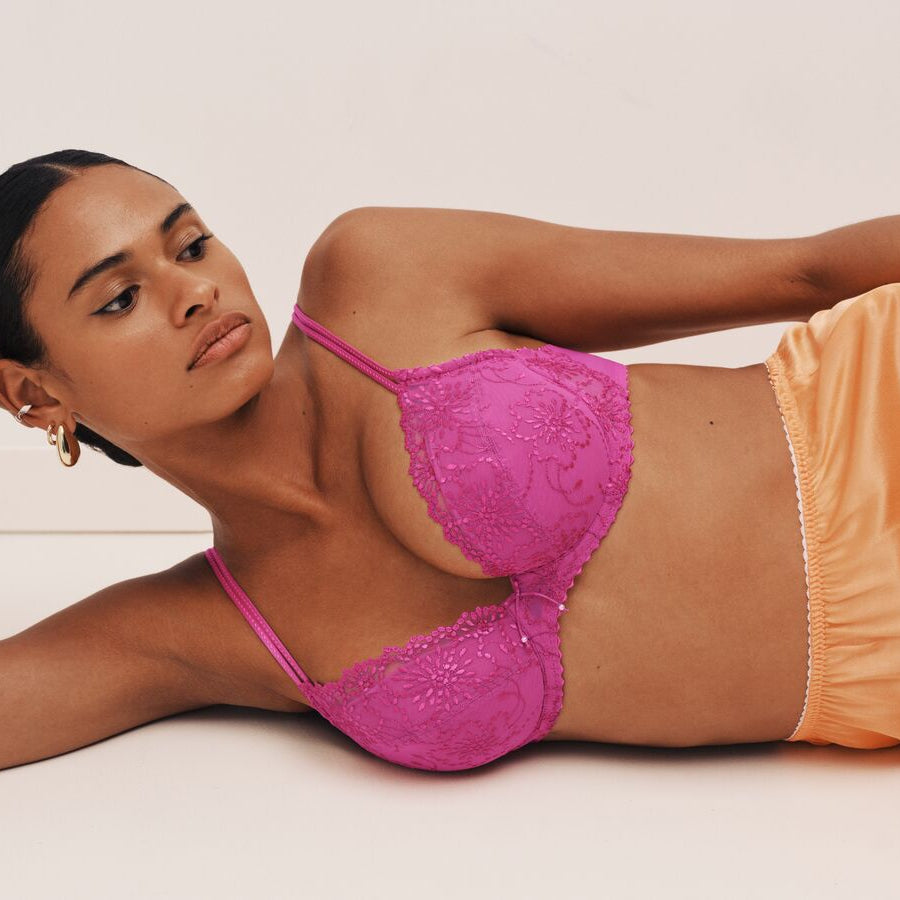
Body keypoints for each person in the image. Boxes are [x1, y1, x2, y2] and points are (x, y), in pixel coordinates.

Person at [1, 149, 898, 773]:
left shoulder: (380, 275)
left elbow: (804, 273)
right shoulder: (207, 629)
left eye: (191, 244)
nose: (193, 291)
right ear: (35, 396)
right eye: (121, 297)